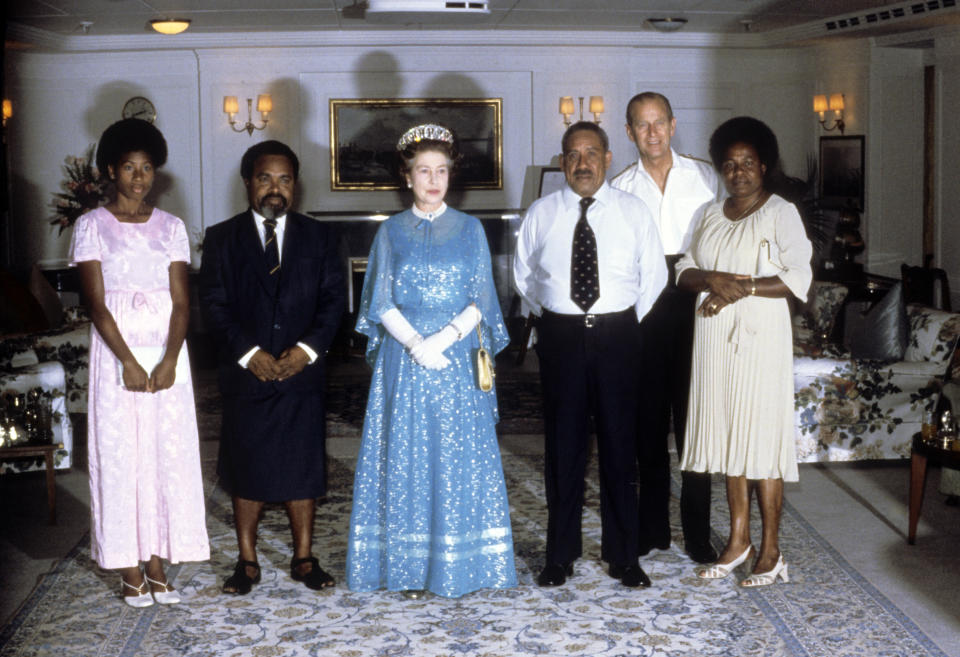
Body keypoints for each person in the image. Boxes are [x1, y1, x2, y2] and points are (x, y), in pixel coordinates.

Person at [346, 124, 516, 598]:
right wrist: (415, 344)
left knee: (456, 456)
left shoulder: (470, 229)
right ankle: (406, 568)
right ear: (408, 177)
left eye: (441, 170)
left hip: (456, 358)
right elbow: (378, 301)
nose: (433, 179)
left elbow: (483, 297)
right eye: (424, 171)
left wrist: (442, 340)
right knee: (405, 459)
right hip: (405, 360)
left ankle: (461, 567)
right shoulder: (390, 232)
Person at [514, 121, 667, 588]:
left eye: (591, 153)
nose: (582, 163)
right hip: (560, 337)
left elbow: (654, 276)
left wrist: (618, 323)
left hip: (619, 334)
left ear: (607, 158)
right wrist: (558, 321)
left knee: (622, 447)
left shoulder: (633, 211)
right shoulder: (541, 213)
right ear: (562, 163)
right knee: (563, 447)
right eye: (573, 155)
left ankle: (623, 555)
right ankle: (560, 555)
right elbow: (524, 276)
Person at [70, 118, 209, 607]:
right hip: (117, 356)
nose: (138, 177)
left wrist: (171, 358)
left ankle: (157, 562)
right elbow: (96, 304)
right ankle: (129, 567)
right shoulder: (90, 226)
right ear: (111, 169)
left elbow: (182, 302)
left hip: (167, 354)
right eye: (129, 167)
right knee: (122, 456)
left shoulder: (171, 228)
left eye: (147, 168)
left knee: (164, 454)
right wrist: (127, 361)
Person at [199, 140, 345, 594]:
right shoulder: (221, 238)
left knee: (302, 465)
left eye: (285, 180)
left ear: (295, 185)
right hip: (246, 373)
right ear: (248, 182)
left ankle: (304, 557)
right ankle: (247, 561)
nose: (275, 189)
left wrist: (305, 351)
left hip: (303, 372)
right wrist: (250, 354)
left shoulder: (321, 237)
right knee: (248, 464)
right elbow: (214, 305)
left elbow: (333, 303)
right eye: (265, 178)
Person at [677, 116, 812, 587]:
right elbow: (686, 270)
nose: (738, 171)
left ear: (765, 164)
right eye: (730, 164)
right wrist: (713, 281)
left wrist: (740, 287)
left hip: (759, 338)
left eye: (747, 162)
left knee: (761, 443)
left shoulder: (781, 211)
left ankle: (771, 551)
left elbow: (798, 278)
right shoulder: (709, 214)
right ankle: (739, 542)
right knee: (731, 438)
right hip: (714, 338)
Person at [611, 92, 724, 564]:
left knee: (695, 425)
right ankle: (652, 529)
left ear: (673, 126)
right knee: (647, 425)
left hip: (696, 305)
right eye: (642, 124)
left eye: (659, 123)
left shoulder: (705, 178)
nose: (652, 133)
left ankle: (697, 533)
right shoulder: (619, 188)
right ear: (630, 131)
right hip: (645, 309)